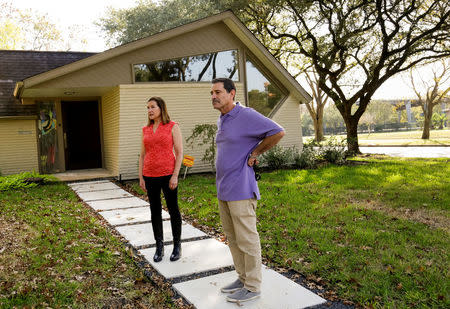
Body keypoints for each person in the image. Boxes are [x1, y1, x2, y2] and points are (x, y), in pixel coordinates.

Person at [211, 78, 285, 303]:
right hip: (223, 188)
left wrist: (255, 153)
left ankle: (253, 287)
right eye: (212, 93)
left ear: (232, 93)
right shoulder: (223, 118)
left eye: (218, 92)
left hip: (241, 188)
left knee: (247, 239)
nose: (213, 96)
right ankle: (242, 278)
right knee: (233, 239)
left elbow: (278, 132)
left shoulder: (246, 115)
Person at [138, 96, 183, 262]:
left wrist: (175, 175)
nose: (149, 110)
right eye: (147, 107)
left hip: (168, 174)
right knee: (155, 211)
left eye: (152, 107)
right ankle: (159, 246)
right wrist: (141, 176)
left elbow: (179, 153)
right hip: (149, 175)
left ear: (161, 108)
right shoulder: (145, 129)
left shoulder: (172, 126)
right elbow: (142, 155)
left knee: (173, 210)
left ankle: (177, 246)